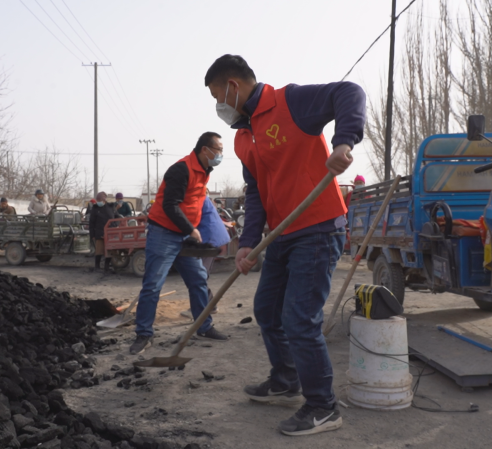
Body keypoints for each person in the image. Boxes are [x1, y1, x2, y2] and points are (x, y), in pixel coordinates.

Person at [205, 54, 365, 436]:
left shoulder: (290, 102)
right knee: (267, 310)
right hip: (282, 233)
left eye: (218, 95)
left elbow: (349, 92)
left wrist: (344, 142)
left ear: (234, 85)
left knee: (299, 318)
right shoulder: (244, 136)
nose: (218, 105)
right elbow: (257, 191)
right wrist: (247, 243)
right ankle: (286, 379)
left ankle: (323, 407)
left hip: (318, 226)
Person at [130, 132, 229, 355]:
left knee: (198, 280)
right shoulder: (181, 169)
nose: (221, 155)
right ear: (206, 150)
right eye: (219, 150)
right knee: (153, 284)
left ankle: (203, 326)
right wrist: (191, 229)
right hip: (163, 234)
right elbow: (170, 205)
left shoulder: (205, 171)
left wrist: (200, 229)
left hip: (183, 236)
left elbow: (195, 204)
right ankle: (144, 334)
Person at [88, 192, 120, 273]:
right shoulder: (95, 209)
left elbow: (117, 217)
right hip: (99, 232)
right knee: (99, 250)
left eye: (100, 200)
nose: (98, 202)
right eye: (97, 200)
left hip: (110, 233)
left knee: (109, 250)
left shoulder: (111, 207)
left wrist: (114, 224)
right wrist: (92, 234)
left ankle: (107, 266)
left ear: (104, 200)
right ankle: (97, 266)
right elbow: (91, 223)